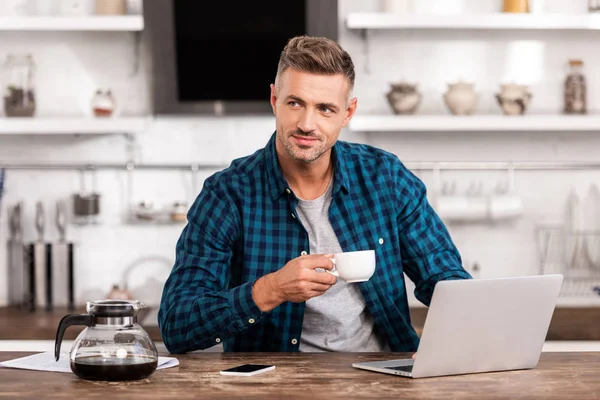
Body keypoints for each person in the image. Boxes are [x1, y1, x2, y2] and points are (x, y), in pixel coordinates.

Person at [158, 35, 471, 354]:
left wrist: (480, 318)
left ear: (348, 113)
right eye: (295, 103)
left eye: (325, 109)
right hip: (273, 384)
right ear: (274, 99)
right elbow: (176, 325)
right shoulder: (227, 194)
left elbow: (444, 278)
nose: (307, 124)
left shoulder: (385, 178)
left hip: (382, 378)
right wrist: (272, 289)